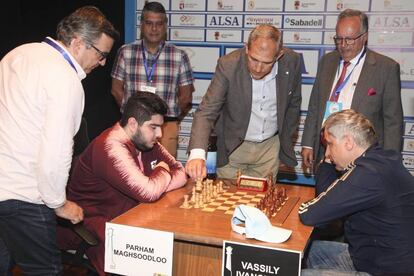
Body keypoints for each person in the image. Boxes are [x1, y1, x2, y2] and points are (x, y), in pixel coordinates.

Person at [0, 6, 118, 275]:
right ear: (77, 43)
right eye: (101, 54)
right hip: (25, 196)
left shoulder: (17, 54)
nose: (101, 63)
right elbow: (55, 153)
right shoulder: (65, 79)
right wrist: (60, 204)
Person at [57, 92, 187, 276]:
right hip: (93, 225)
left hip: (131, 218)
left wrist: (158, 179)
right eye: (154, 127)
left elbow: (181, 172)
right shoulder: (111, 146)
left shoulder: (145, 141)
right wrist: (163, 170)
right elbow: (149, 192)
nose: (160, 134)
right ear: (133, 124)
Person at [299, 109, 414, 275]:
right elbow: (327, 202)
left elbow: (312, 214)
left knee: (295, 271)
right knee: (307, 250)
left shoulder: (369, 173)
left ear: (348, 142)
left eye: (330, 144)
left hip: (382, 270)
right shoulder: (380, 160)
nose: (328, 153)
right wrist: (329, 161)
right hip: (367, 258)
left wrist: (326, 162)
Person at [186, 24, 301, 182]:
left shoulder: (291, 61)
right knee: (227, 203)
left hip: (269, 148)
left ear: (279, 55)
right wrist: (197, 154)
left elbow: (293, 105)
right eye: (253, 59)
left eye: (267, 62)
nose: (259, 68)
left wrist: (284, 147)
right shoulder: (228, 65)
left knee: (260, 204)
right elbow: (207, 111)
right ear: (247, 48)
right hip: (233, 147)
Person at [301, 9, 403, 172]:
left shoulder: (386, 68)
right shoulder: (327, 62)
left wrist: (388, 163)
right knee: (325, 196)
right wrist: (308, 143)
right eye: (339, 39)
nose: (343, 45)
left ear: (364, 36)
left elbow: (393, 122)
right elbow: (315, 105)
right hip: (326, 153)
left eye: (349, 39)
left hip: (364, 160)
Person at [111, 1, 195, 158]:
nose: (154, 28)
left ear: (165, 26)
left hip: (166, 126)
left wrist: (172, 119)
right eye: (149, 23)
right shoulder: (125, 52)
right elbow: (116, 90)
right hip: (133, 125)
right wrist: (132, 114)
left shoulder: (179, 55)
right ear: (141, 25)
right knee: (130, 169)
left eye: (159, 24)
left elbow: (186, 97)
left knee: (165, 171)